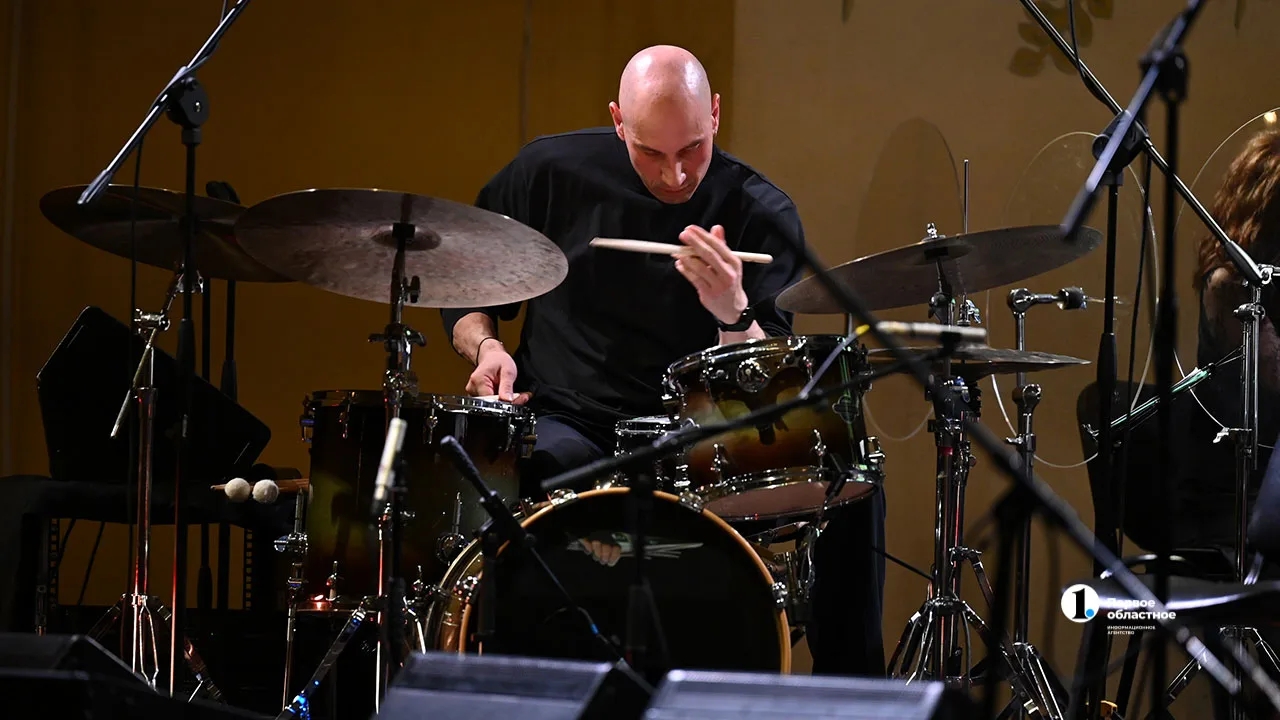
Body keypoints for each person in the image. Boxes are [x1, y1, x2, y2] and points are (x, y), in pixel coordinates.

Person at [439, 44, 886, 677]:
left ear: (716, 114)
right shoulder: (547, 173)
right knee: (528, 471)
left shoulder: (760, 210)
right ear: (618, 121)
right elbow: (466, 288)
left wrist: (732, 312)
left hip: (699, 437)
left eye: (693, 148)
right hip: (571, 420)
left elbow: (766, 383)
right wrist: (487, 348)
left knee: (853, 492)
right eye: (651, 152)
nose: (675, 175)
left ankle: (852, 700)